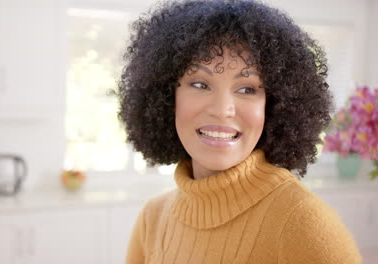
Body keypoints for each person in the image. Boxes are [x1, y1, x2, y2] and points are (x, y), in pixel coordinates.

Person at [117, 0, 362, 263]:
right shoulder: (152, 219)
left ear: (274, 105)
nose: (223, 110)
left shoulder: (303, 222)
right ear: (167, 97)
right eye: (200, 83)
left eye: (247, 89)